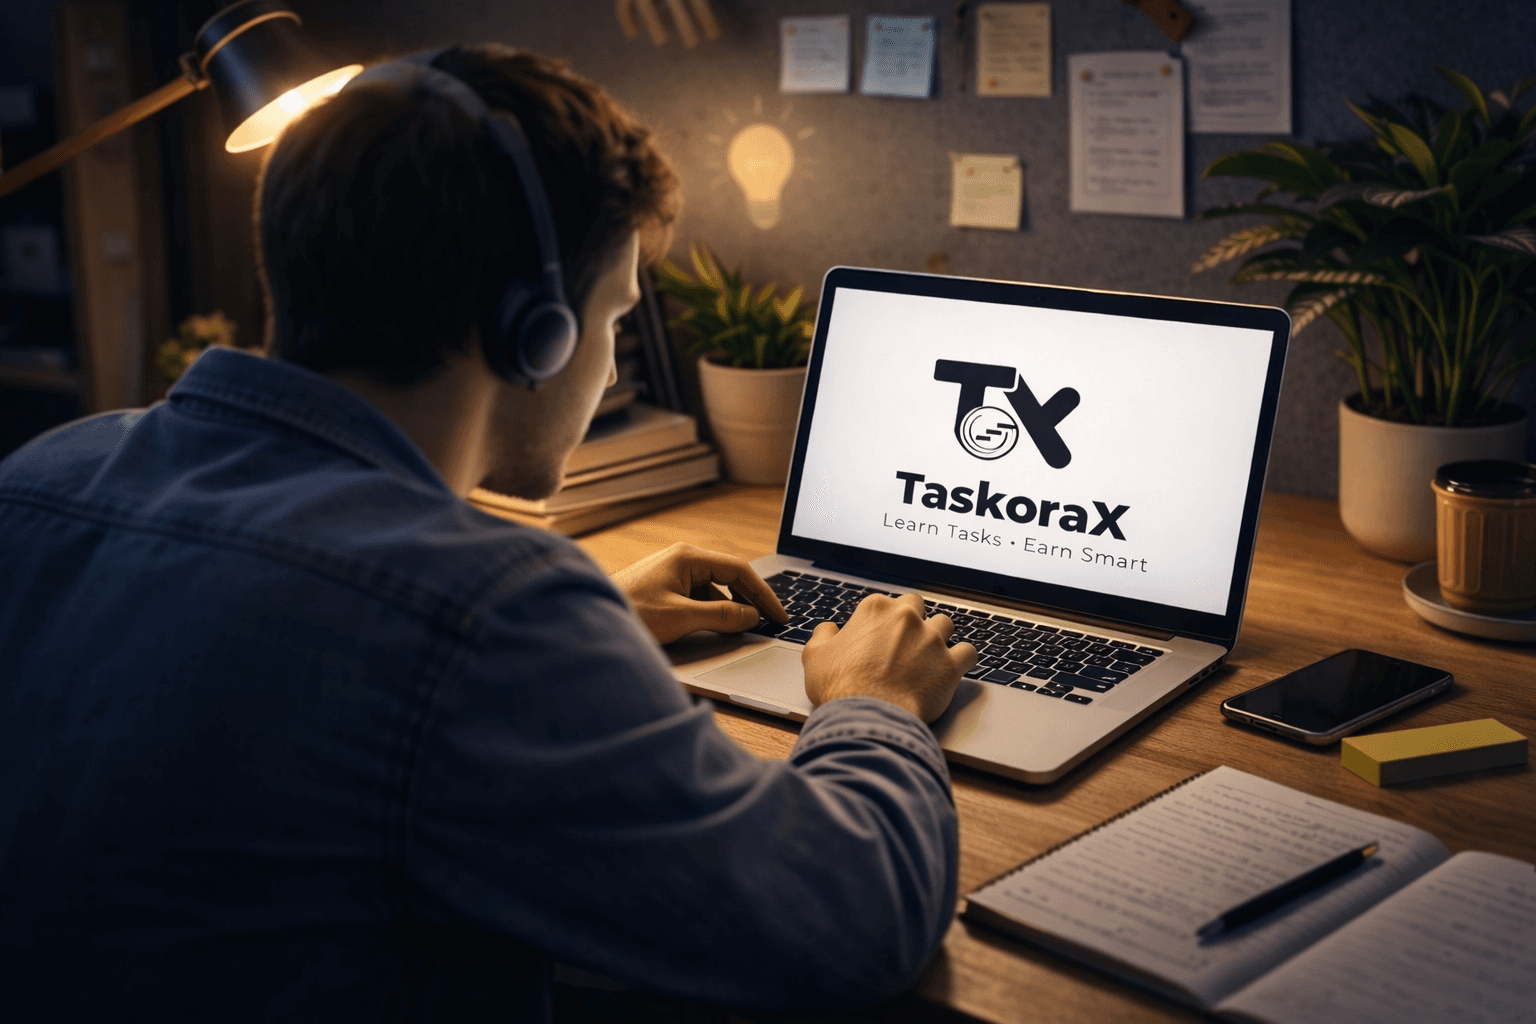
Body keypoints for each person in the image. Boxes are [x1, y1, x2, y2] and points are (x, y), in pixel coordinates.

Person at [0, 44, 976, 1022]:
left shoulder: (43, 477)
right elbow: (851, 916)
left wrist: (591, 636)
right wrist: (875, 697)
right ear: (537, 331)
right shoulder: (478, 616)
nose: (606, 361)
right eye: (616, 318)